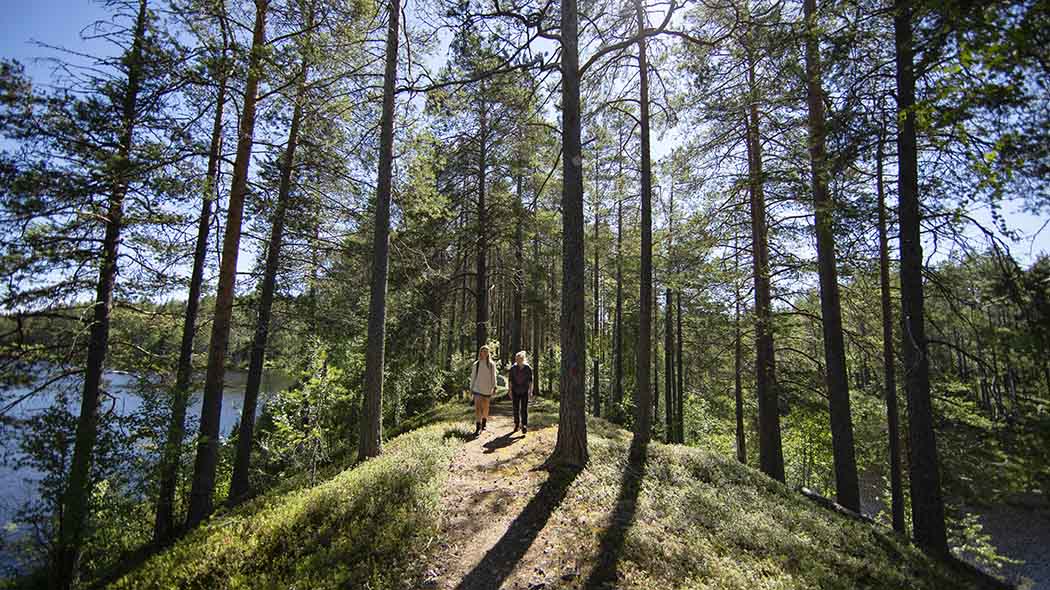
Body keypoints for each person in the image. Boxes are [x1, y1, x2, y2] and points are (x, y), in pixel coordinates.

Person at [469, 345, 497, 436]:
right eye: (483, 351)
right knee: (477, 408)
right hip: (477, 388)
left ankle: (484, 421)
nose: (484, 353)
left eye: (486, 351)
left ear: (488, 353)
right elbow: (473, 377)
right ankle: (478, 426)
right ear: (480, 352)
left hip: (487, 389)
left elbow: (493, 377)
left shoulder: (491, 364)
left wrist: (494, 387)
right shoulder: (476, 364)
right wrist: (471, 388)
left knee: (485, 407)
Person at [507, 351, 533, 435]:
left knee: (524, 409)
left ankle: (524, 425)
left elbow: (530, 381)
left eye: (520, 359)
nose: (518, 360)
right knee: (516, 408)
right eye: (517, 359)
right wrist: (510, 390)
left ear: (523, 359)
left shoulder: (528, 368)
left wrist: (530, 391)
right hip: (515, 391)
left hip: (525, 391)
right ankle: (516, 424)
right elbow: (510, 380)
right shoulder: (513, 368)